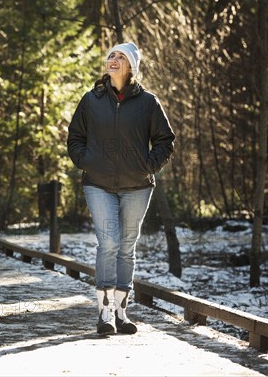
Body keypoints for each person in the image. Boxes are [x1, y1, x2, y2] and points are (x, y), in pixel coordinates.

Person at [67, 42, 175, 336]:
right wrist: (87, 161)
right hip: (98, 184)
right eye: (111, 56)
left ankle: (122, 311)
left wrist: (147, 165)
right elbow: (75, 137)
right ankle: (104, 313)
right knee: (109, 243)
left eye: (121, 57)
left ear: (132, 67)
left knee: (126, 247)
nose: (113, 60)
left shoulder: (148, 103)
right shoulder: (91, 100)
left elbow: (165, 140)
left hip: (137, 186)